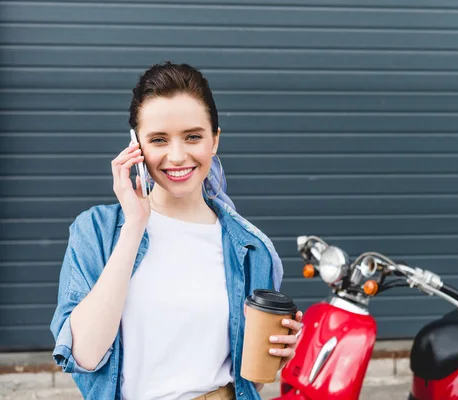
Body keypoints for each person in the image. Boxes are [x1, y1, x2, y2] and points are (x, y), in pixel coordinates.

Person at [49, 61, 303, 400]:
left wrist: (275, 357)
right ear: (135, 145)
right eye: (158, 140)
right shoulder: (96, 231)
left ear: (215, 140)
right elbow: (84, 355)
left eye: (193, 136)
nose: (177, 156)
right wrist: (135, 225)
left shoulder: (249, 247)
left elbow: (250, 382)